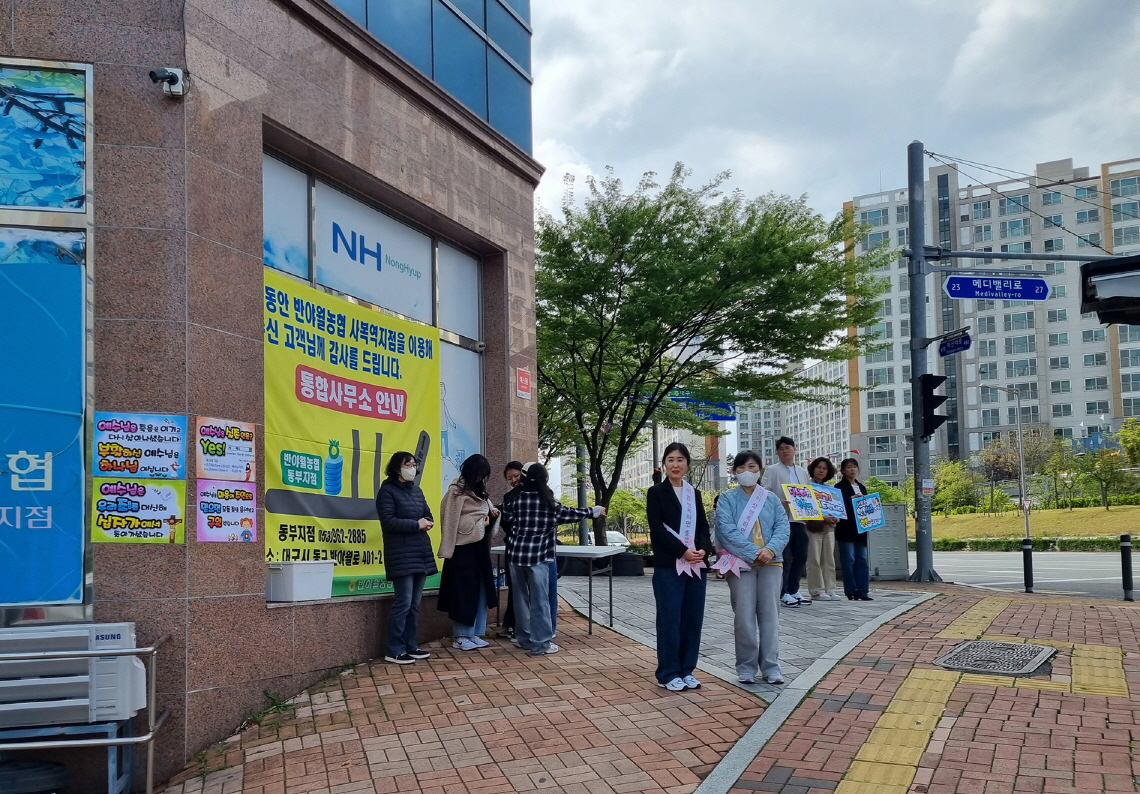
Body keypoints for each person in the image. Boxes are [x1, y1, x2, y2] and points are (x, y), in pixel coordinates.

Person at [499, 463, 604, 655]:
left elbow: (506, 517)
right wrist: (593, 511)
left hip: (515, 554)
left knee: (520, 599)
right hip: (538, 556)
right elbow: (569, 514)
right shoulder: (547, 501)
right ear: (544, 479)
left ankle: (524, 639)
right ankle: (541, 643)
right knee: (540, 601)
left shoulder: (515, 498)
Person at [715, 450, 790, 685]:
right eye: (741, 468)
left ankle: (771, 667)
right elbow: (726, 530)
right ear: (734, 471)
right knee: (744, 617)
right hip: (741, 564)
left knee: (770, 617)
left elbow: (782, 527)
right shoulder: (727, 499)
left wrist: (770, 550)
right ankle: (746, 667)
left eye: (752, 467)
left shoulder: (771, 499)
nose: (747, 472)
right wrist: (753, 552)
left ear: (760, 470)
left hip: (771, 563)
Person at [645, 442, 713, 691]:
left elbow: (703, 527)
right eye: (671, 460)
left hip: (696, 566)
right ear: (664, 463)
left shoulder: (694, 494)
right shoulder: (656, 493)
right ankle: (668, 673)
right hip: (669, 566)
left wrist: (703, 549)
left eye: (680, 460)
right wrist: (682, 551)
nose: (675, 464)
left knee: (693, 620)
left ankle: (686, 670)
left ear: (687, 464)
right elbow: (657, 528)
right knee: (670, 620)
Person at [377, 451, 436, 664]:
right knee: (403, 602)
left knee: (414, 604)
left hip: (419, 552)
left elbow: (427, 514)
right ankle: (394, 649)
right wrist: (416, 525)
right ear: (396, 468)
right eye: (407, 464)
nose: (412, 468)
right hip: (400, 554)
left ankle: (411, 645)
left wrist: (427, 522)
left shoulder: (416, 490)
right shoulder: (387, 491)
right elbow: (388, 521)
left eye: (414, 464)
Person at [437, 454, 498, 651]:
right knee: (462, 592)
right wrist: (481, 523)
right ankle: (461, 635)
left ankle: (474, 632)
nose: (480, 478)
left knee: (479, 590)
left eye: (483, 475)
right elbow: (451, 522)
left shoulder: (480, 492)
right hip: (461, 549)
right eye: (478, 474)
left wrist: (492, 516)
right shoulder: (456, 492)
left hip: (478, 549)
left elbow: (484, 514)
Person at [761, 436, 811, 606]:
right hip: (781, 520)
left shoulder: (802, 472)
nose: (785, 451)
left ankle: (794, 589)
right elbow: (764, 492)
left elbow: (808, 494)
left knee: (801, 556)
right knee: (784, 557)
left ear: (794, 450)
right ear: (777, 452)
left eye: (788, 447)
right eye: (781, 448)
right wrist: (778, 502)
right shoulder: (772, 470)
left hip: (799, 519)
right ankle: (783, 592)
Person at [496, 460, 525, 639]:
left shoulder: (535, 493)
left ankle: (519, 626)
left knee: (525, 589)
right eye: (509, 478)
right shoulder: (508, 497)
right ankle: (511, 623)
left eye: (516, 476)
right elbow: (505, 524)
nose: (513, 480)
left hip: (529, 550)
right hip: (512, 546)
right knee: (514, 587)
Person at [836, 458, 872, 601]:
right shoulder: (839, 487)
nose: (852, 469)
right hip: (846, 528)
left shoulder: (862, 487)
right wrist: (851, 498)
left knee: (862, 559)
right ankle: (851, 590)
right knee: (848, 560)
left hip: (860, 529)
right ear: (843, 471)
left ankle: (863, 590)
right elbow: (838, 506)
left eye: (855, 467)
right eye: (849, 467)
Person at [804, 457, 839, 601]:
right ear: (813, 468)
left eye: (825, 468)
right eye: (818, 467)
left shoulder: (831, 490)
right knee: (814, 559)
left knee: (829, 559)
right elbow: (805, 507)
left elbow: (837, 510)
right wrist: (823, 517)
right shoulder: (806, 487)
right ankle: (816, 590)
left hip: (829, 528)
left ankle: (830, 589)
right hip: (813, 527)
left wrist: (836, 517)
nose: (821, 471)